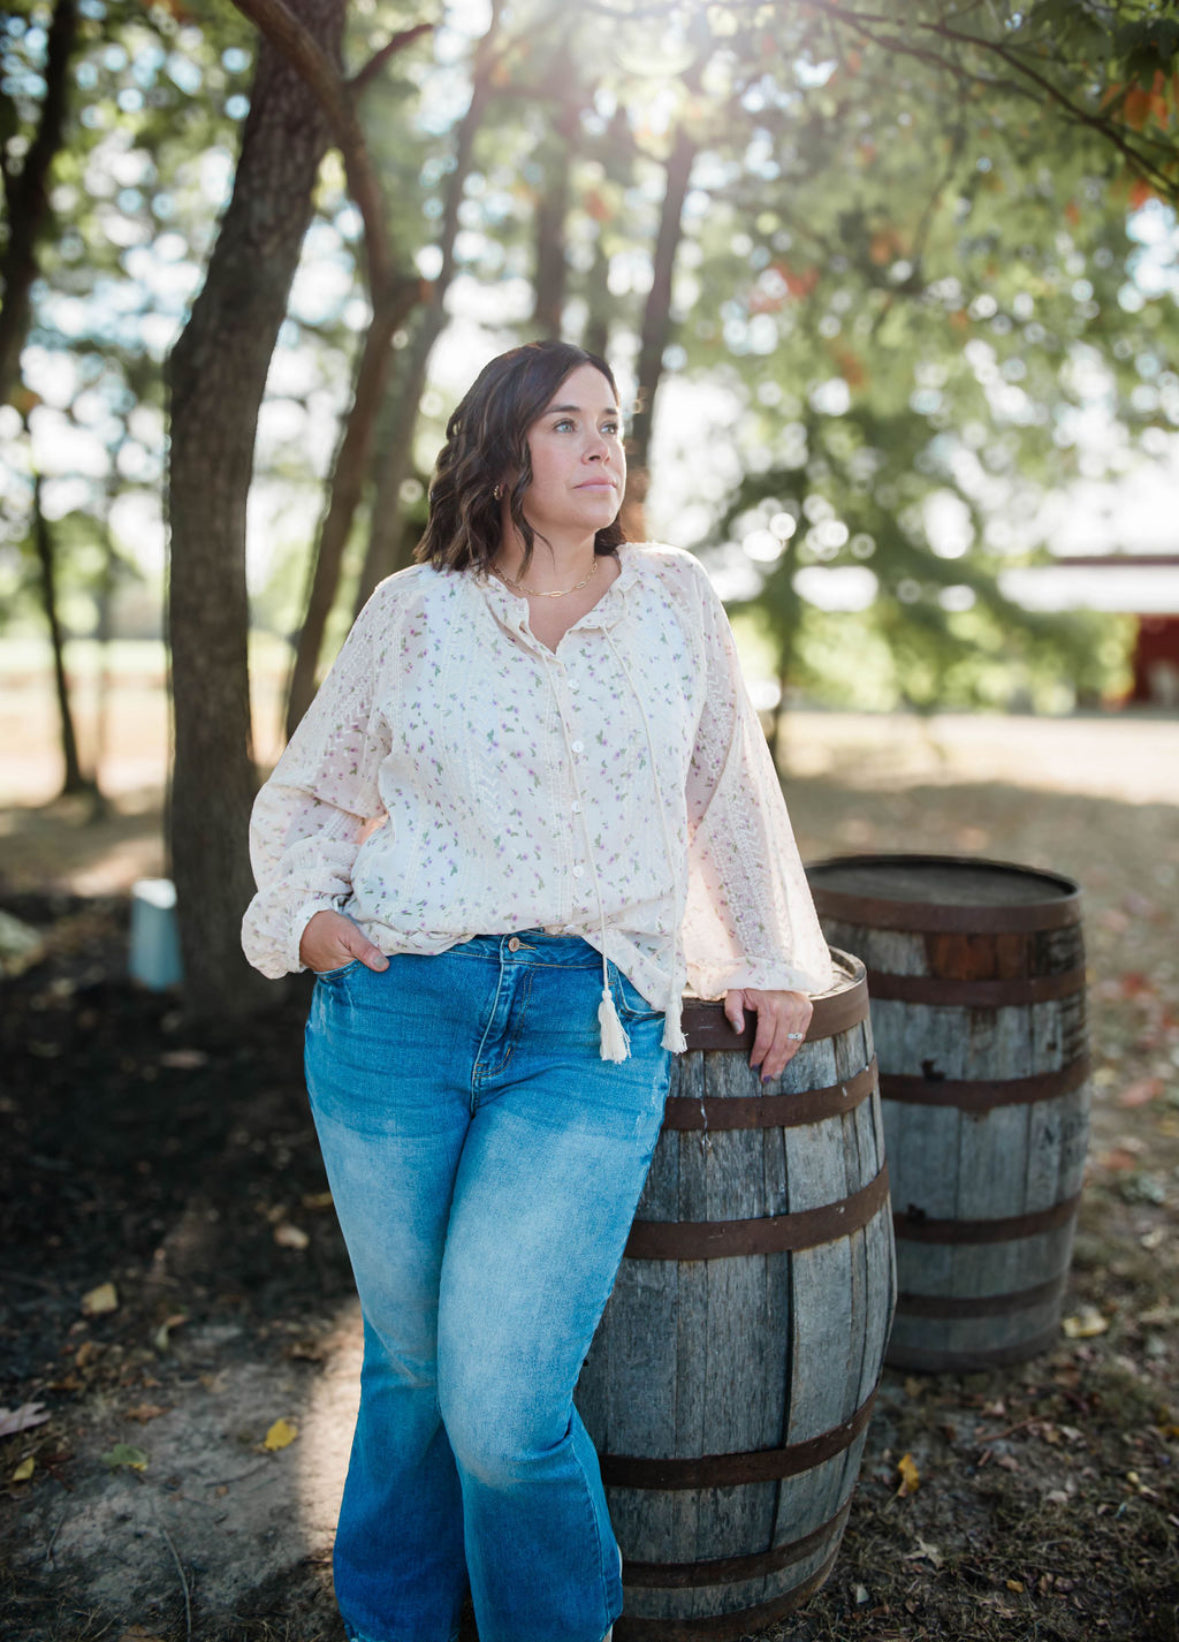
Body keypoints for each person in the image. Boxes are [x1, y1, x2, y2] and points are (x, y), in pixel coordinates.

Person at [241, 339, 834, 1642]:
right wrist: (311, 917)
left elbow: (729, 790)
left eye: (612, 423)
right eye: (568, 422)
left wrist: (770, 952)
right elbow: (315, 792)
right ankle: (398, 1622)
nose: (601, 446)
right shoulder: (413, 608)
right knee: (407, 1366)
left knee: (503, 1404)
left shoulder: (674, 601)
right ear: (502, 448)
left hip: (587, 1028)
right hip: (398, 1011)